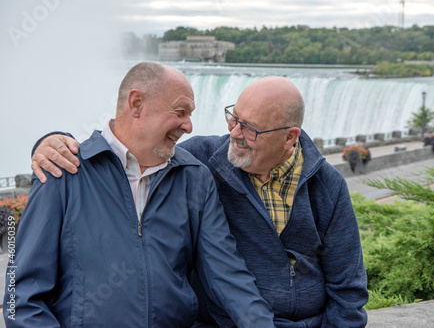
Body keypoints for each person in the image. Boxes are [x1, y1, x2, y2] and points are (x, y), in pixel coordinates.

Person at [31, 76, 369, 327]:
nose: (234, 133)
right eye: (233, 118)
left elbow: (347, 288)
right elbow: (22, 295)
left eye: (250, 128)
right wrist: (48, 143)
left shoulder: (326, 185)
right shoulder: (202, 162)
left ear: (290, 137)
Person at [5, 62, 276, 328]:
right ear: (136, 104)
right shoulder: (62, 171)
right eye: (181, 112)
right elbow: (22, 297)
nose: (189, 126)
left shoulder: (195, 178)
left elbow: (228, 276)